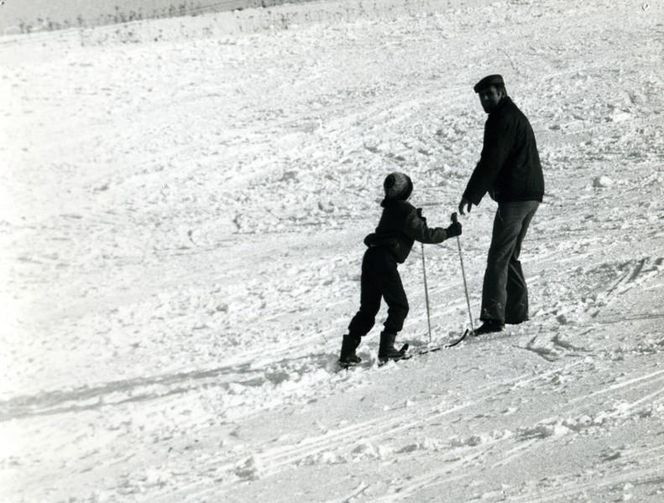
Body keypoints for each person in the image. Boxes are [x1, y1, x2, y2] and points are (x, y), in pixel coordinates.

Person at [339, 172, 462, 366]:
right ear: (406, 191)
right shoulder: (405, 210)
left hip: (371, 257)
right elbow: (425, 235)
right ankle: (387, 349)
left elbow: (406, 228)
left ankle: (347, 351)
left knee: (369, 308)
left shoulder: (389, 209)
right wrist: (448, 232)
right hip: (385, 261)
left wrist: (417, 220)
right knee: (399, 306)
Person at [457, 74, 544, 336]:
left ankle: (494, 317)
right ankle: (516, 312)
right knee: (509, 254)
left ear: (501, 92)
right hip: (530, 194)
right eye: (482, 96)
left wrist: (471, 194)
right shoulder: (512, 115)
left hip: (517, 197)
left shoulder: (502, 118)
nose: (485, 100)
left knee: (498, 256)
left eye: (489, 94)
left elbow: (491, 160)